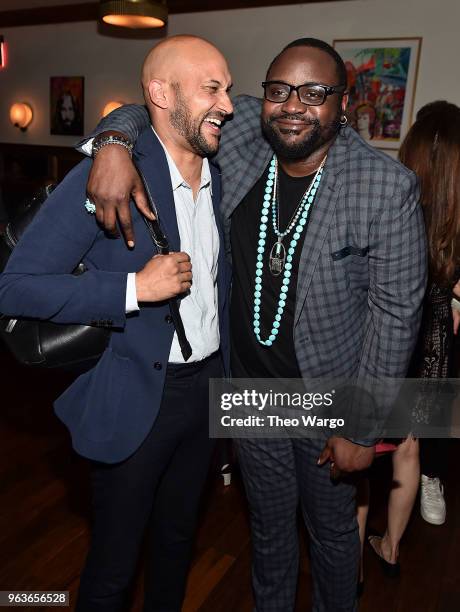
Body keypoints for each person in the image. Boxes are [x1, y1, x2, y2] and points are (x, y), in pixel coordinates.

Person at [78, 38, 427, 611]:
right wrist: (113, 143)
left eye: (314, 92)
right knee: (267, 530)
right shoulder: (241, 138)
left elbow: (396, 315)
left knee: (334, 536)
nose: (293, 104)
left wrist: (362, 431)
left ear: (343, 102)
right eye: (279, 90)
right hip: (248, 390)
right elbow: (156, 104)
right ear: (261, 98)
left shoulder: (385, 188)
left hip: (331, 399)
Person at [0, 35, 233, 611]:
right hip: (135, 398)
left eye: (227, 88)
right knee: (113, 565)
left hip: (204, 392)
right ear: (160, 92)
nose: (227, 103)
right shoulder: (103, 176)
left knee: (178, 541)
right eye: (212, 88)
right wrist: (135, 288)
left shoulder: (217, 168)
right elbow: (14, 286)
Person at [403, 100, 460, 525]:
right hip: (399, 310)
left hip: (441, 314)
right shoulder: (400, 197)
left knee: (437, 393)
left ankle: (430, 473)